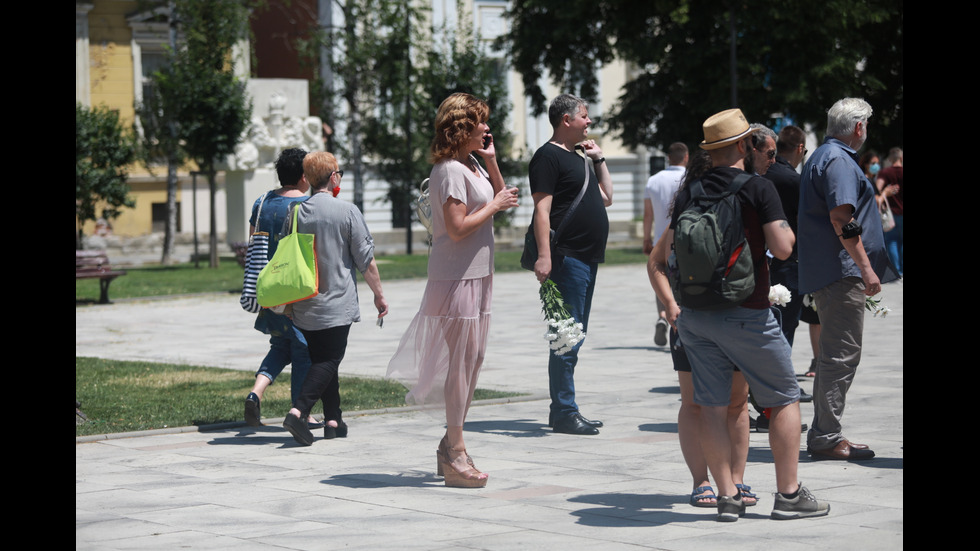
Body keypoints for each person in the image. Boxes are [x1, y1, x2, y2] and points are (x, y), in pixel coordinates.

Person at [649, 108, 829, 521]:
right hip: (747, 311)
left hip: (695, 314)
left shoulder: (690, 190)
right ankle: (787, 495)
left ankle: (727, 496)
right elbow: (783, 248)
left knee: (710, 405)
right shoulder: (757, 187)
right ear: (745, 145)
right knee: (784, 398)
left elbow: (670, 251)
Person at [386, 93, 518, 488]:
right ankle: (455, 450)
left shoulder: (472, 164)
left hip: (479, 273)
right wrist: (494, 205)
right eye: (480, 122)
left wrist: (492, 163)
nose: (486, 129)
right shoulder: (447, 170)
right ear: (461, 127)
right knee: (460, 363)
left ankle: (450, 444)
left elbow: (504, 199)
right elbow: (458, 227)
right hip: (454, 275)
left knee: (473, 359)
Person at [798, 98, 899, 461]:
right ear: (859, 128)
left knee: (834, 354)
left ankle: (825, 432)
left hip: (831, 270)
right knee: (841, 355)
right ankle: (826, 437)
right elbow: (843, 219)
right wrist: (866, 268)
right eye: (867, 125)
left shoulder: (823, 155)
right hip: (840, 272)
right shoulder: (839, 160)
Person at [655, 149, 757, 509]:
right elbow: (655, 264)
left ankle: (735, 480)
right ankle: (701, 481)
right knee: (696, 403)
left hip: (736, 317)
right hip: (691, 320)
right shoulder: (687, 217)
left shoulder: (743, 211)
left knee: (736, 403)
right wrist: (670, 305)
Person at [281, 151, 389, 446]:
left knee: (322, 359)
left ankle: (333, 420)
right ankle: (297, 411)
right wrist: (379, 296)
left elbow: (286, 257)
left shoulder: (295, 212)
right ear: (333, 177)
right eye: (338, 172)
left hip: (304, 302)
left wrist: (289, 303)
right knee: (329, 359)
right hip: (336, 303)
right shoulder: (347, 211)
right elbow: (366, 260)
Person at [529, 94, 613, 436]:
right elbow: (541, 211)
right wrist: (545, 255)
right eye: (584, 116)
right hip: (567, 258)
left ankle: (562, 409)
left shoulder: (579, 157)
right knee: (565, 336)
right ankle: (564, 410)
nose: (589, 122)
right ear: (566, 120)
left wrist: (599, 159)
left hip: (587, 258)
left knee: (574, 334)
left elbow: (607, 198)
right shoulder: (547, 157)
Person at [244, 148, 315, 428]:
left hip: (268, 288)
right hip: (295, 289)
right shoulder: (306, 206)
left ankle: (256, 392)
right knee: (302, 350)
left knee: (280, 345)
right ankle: (301, 414)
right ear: (303, 176)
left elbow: (252, 241)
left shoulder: (262, 202)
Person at [643, 142, 688, 346]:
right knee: (682, 281)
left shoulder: (653, 180)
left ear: (668, 157)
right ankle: (679, 318)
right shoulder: (690, 178)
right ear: (686, 157)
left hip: (660, 239)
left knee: (660, 276)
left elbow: (648, 214)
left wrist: (646, 238)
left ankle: (662, 314)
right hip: (683, 238)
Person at [876, 147, 903, 276]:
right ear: (901, 158)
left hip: (890, 213)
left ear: (890, 159)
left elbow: (877, 188)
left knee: (892, 240)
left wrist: (886, 192)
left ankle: (897, 270)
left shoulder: (885, 172)